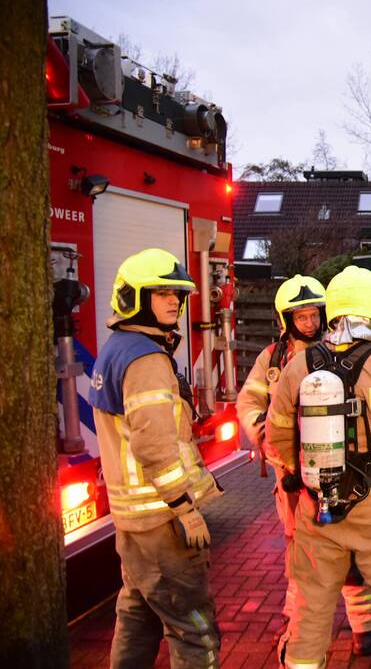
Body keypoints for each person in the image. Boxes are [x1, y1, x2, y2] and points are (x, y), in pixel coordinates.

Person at [265, 266, 371, 668]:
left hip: (318, 508)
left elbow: (276, 435)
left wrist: (305, 476)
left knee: (311, 606)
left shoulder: (299, 365)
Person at [88, 248, 222, 667]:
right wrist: (185, 507)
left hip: (133, 523)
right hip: (162, 522)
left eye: (177, 295)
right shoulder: (145, 358)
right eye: (161, 292)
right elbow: (153, 445)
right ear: (134, 297)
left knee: (137, 616)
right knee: (195, 630)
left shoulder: (117, 348)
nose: (173, 302)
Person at [236, 275, 371, 656]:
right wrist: (267, 438)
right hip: (291, 475)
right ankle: (293, 620)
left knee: (348, 548)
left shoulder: (338, 351)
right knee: (299, 550)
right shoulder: (272, 359)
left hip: (336, 467)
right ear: (286, 319)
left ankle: (365, 627)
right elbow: (248, 403)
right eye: (301, 317)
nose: (309, 323)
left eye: (314, 314)